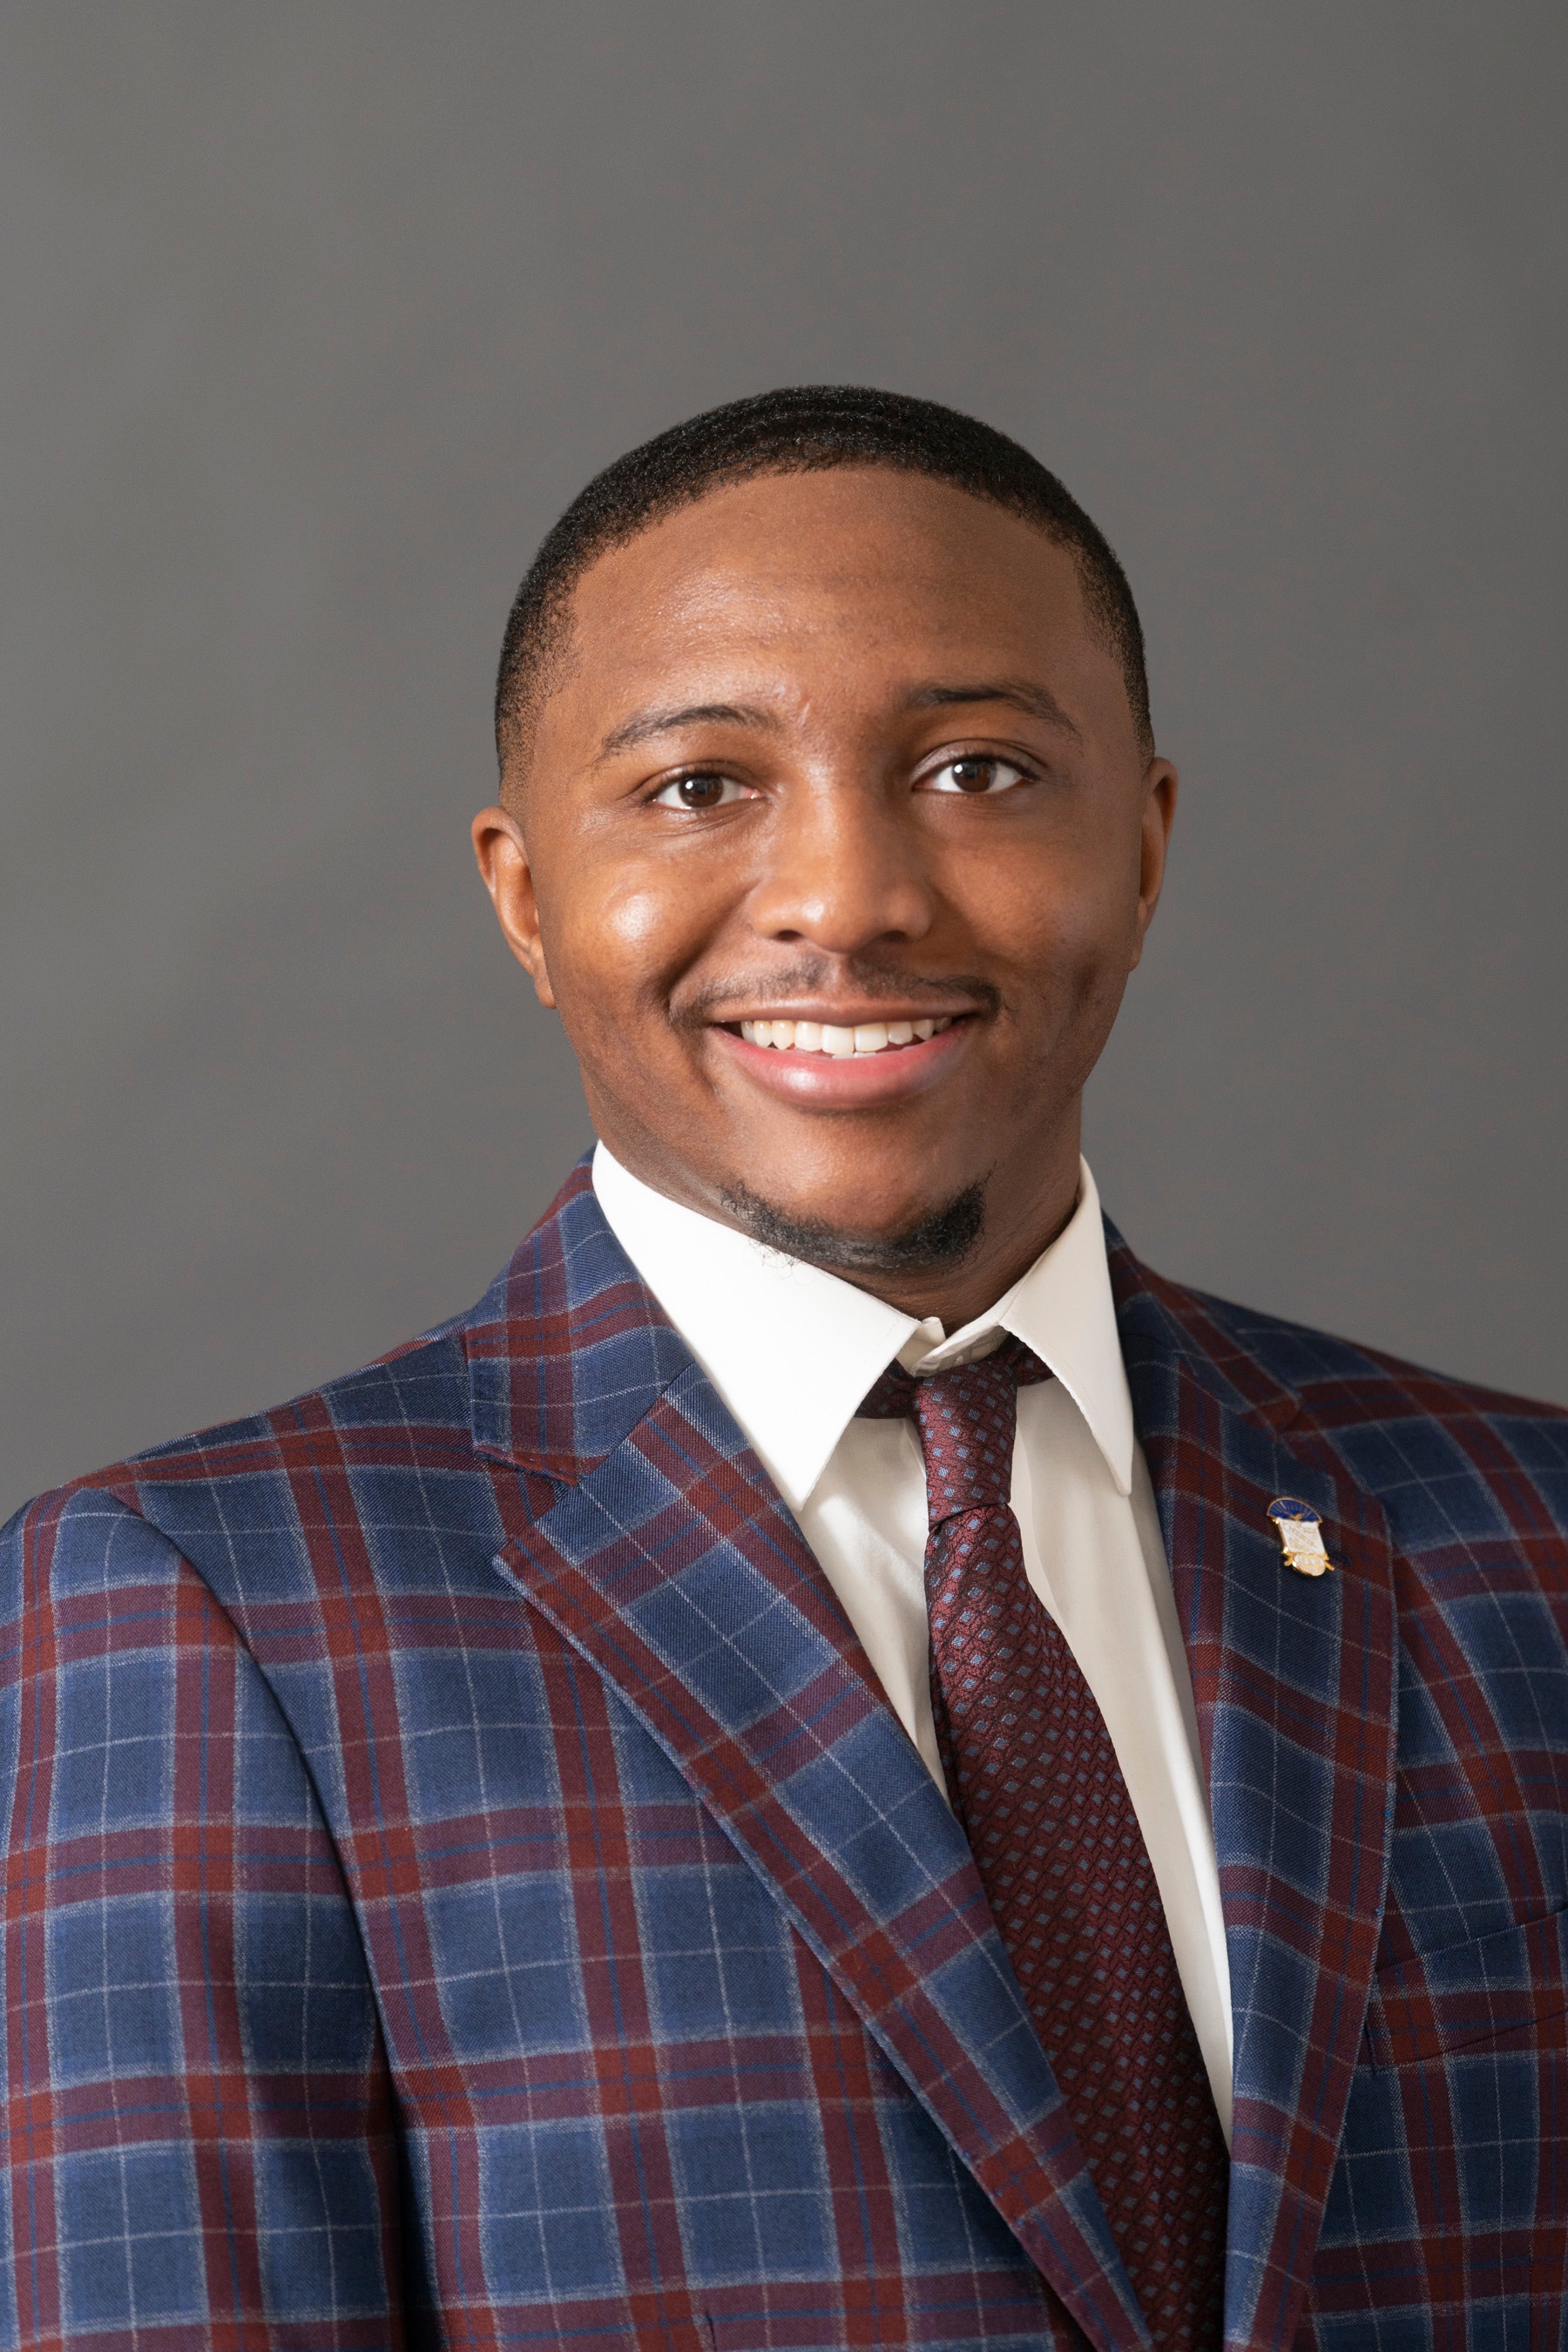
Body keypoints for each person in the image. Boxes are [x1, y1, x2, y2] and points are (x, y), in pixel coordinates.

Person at [3, 387, 1565, 2352]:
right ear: (523, 897)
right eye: (694, 788)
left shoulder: (1526, 1541)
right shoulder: (216, 1620)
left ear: (1148, 845)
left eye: (983, 769)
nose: (852, 896)